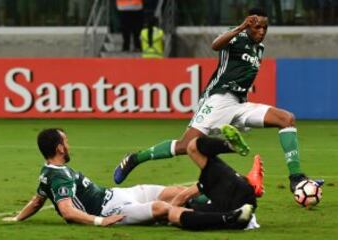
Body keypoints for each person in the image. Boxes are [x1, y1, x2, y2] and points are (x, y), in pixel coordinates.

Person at [114, 8, 322, 195]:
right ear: (249, 25)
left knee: (286, 119)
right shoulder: (236, 35)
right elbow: (215, 45)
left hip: (240, 104)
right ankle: (135, 159)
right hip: (219, 98)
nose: (261, 31)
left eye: (265, 28)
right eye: (257, 27)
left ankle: (296, 178)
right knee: (185, 145)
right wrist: (241, 27)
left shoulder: (259, 49)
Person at [2, 127, 259, 230]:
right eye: (65, 142)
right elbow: (68, 212)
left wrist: (17, 217)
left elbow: (37, 201)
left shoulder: (50, 173)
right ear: (59, 148)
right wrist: (100, 221)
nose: (68, 145)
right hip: (112, 208)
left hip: (118, 194)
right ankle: (228, 219)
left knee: (176, 192)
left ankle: (234, 196)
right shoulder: (56, 178)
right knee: (164, 209)